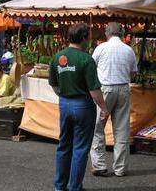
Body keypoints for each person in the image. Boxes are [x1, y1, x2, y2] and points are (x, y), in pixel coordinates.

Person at [49, 23, 109, 191]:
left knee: (64, 145)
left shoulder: (57, 57)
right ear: (83, 38)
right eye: (88, 36)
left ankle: (59, 186)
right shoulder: (86, 59)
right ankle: (75, 187)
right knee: (81, 148)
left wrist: (64, 96)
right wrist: (104, 108)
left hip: (65, 103)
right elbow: (94, 90)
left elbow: (53, 85)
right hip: (83, 106)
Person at [90, 22, 137, 177]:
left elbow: (91, 69)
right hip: (123, 88)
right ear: (122, 33)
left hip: (105, 89)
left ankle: (99, 165)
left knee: (97, 127)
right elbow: (133, 74)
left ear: (107, 33)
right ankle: (121, 168)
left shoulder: (101, 48)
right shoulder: (128, 49)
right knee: (121, 129)